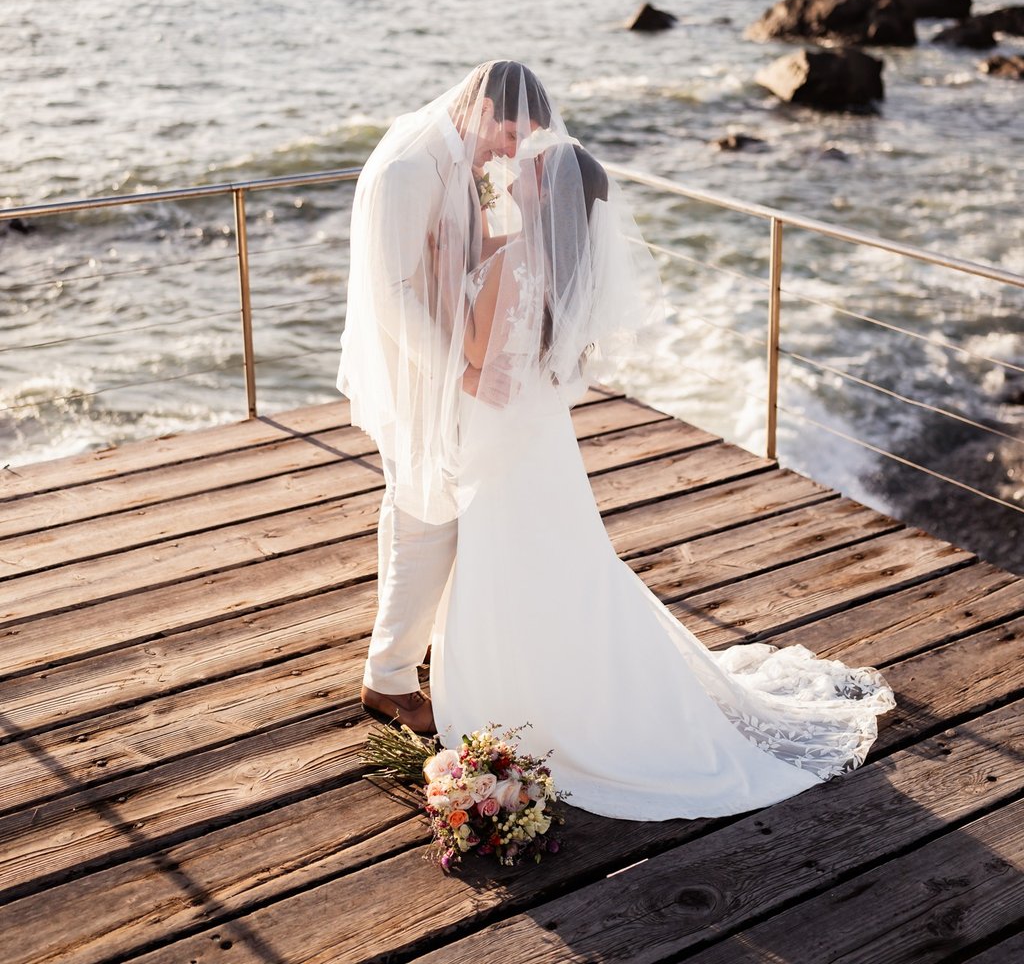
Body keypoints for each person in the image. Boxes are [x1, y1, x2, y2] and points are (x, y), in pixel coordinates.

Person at [425, 64, 896, 821]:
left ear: (547, 193)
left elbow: (477, 355)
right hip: (538, 440)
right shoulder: (557, 266)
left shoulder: (514, 256)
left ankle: (532, 699)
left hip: (507, 440)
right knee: (562, 567)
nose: (521, 164)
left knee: (517, 560)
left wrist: (456, 288)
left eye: (533, 164)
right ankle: (558, 687)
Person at [337, 61, 553, 733]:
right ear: (480, 109)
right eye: (510, 132)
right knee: (428, 515)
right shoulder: (409, 168)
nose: (513, 150)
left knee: (416, 508)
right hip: (420, 370)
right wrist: (458, 371)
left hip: (446, 363)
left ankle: (406, 654)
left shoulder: (465, 157)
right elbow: (390, 292)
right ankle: (390, 681)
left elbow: (488, 246)